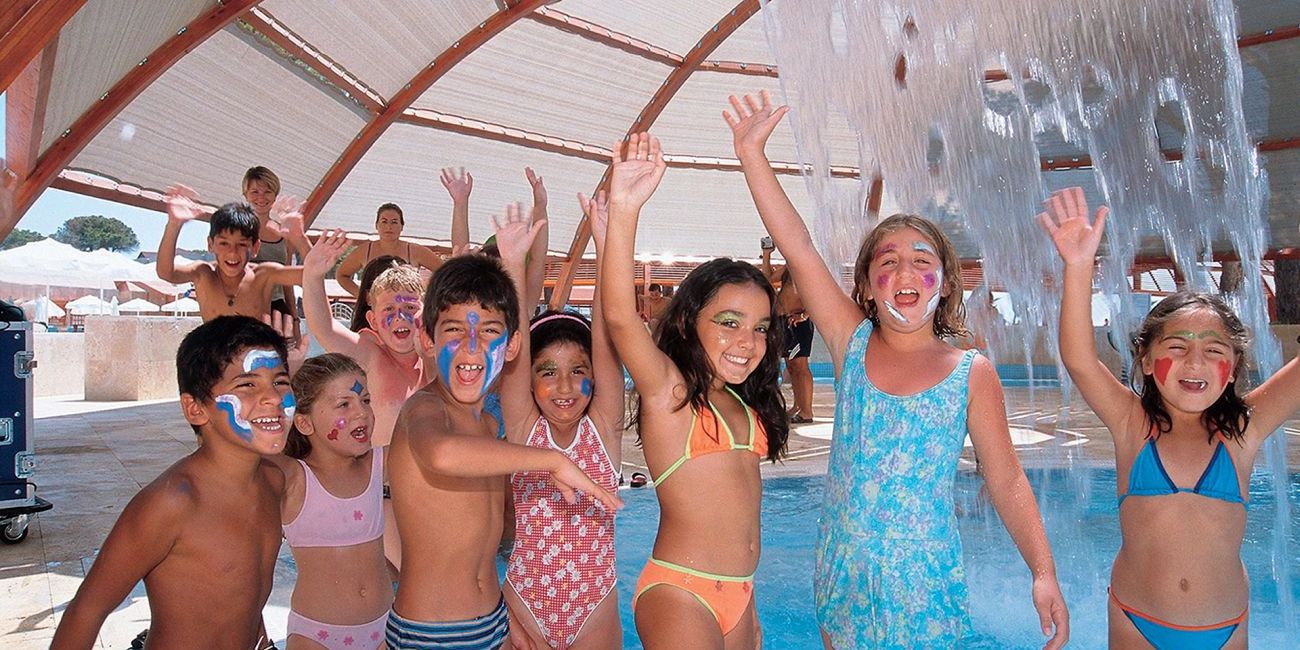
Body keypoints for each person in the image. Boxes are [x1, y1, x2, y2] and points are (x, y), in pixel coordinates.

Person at [726, 90, 1068, 649]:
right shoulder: (852, 342)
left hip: (926, 585)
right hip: (844, 577)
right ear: (865, 285)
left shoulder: (970, 373)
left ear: (946, 284)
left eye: (921, 261)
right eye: (888, 262)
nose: (905, 271)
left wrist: (1042, 570)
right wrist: (752, 157)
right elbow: (800, 247)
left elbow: (1006, 478)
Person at [1040, 186, 1300, 649]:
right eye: (1176, 348)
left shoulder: (1242, 431)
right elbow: (1079, 359)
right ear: (1145, 360)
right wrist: (1078, 267)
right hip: (1137, 623)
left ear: (1233, 369)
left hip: (1224, 630)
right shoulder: (1132, 425)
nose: (1195, 363)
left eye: (1214, 351)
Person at [385, 219, 622, 650]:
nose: (472, 345)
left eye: (489, 332)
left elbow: (478, 544)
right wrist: (553, 461)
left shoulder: (489, 428)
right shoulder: (424, 409)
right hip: (434, 631)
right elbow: (441, 455)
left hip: (494, 621)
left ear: (510, 347)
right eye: (454, 330)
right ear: (427, 339)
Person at [602, 132, 789, 649]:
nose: (747, 341)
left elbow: (740, 516)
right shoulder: (672, 393)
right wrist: (624, 208)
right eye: (729, 323)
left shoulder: (744, 403)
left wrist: (748, 602)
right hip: (680, 592)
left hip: (740, 594)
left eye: (759, 327)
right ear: (689, 321)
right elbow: (619, 317)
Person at [51, 316, 293, 649]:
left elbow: (244, 589)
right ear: (195, 409)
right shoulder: (173, 503)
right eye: (247, 385)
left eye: (280, 381)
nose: (274, 397)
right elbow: (87, 610)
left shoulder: (273, 482)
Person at [498, 190, 625, 649]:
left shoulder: (603, 428)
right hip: (524, 601)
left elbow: (607, 333)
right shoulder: (523, 430)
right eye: (548, 373)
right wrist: (513, 266)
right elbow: (515, 348)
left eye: (578, 371)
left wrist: (607, 246)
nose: (566, 387)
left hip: (595, 607)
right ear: (530, 381)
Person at [303, 231, 428, 571]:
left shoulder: (432, 363)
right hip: (383, 495)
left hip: (428, 492)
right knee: (412, 574)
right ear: (373, 320)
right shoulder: (371, 357)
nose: (400, 318)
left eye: (410, 308)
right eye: (390, 310)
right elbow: (324, 328)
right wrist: (313, 274)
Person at [273, 353, 391, 650]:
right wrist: (283, 384)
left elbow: (434, 444)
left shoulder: (379, 464)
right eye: (344, 404)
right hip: (317, 637)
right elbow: (247, 454)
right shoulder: (295, 477)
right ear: (303, 423)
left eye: (365, 400)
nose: (362, 413)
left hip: (384, 629)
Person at [156, 186, 304, 322]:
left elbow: (309, 275)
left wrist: (300, 239)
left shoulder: (263, 275)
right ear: (210, 244)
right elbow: (166, 272)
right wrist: (174, 225)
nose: (232, 252)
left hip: (255, 343)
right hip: (213, 343)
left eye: (242, 244)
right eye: (224, 243)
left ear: (255, 247)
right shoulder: (203, 274)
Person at [243, 166, 311, 319]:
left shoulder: (285, 233)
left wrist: (294, 317)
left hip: (277, 308)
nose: (261, 197)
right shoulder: (236, 230)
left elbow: (287, 281)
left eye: (267, 192)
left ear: (275, 196)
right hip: (244, 306)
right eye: (255, 192)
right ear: (246, 195)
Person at [762, 244, 815, 423]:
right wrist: (766, 254)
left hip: (797, 322)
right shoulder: (789, 267)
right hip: (783, 321)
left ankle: (806, 411)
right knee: (792, 367)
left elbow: (818, 294)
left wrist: (805, 315)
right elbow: (768, 279)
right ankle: (798, 406)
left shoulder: (807, 267)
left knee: (800, 366)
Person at [349, 255, 406, 333]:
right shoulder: (365, 338)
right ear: (369, 297)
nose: (401, 316)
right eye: (389, 308)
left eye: (409, 307)